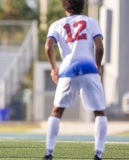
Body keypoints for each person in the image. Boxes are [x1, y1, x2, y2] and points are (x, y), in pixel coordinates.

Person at [43, 0, 107, 160]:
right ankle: (98, 154)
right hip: (89, 69)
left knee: (57, 111)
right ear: (83, 6)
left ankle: (49, 153)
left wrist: (53, 67)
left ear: (64, 6)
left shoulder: (56, 24)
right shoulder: (91, 22)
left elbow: (48, 45)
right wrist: (97, 66)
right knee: (99, 112)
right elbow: (99, 47)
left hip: (68, 70)